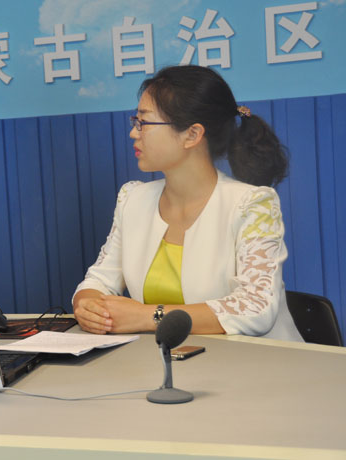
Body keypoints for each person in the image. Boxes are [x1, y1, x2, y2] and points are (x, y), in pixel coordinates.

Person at [72, 65, 302, 341]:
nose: (134, 133)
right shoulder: (132, 199)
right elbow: (98, 281)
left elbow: (256, 308)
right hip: (168, 359)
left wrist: (148, 316)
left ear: (192, 135)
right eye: (135, 121)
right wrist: (88, 307)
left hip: (258, 362)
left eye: (144, 122)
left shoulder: (252, 205)